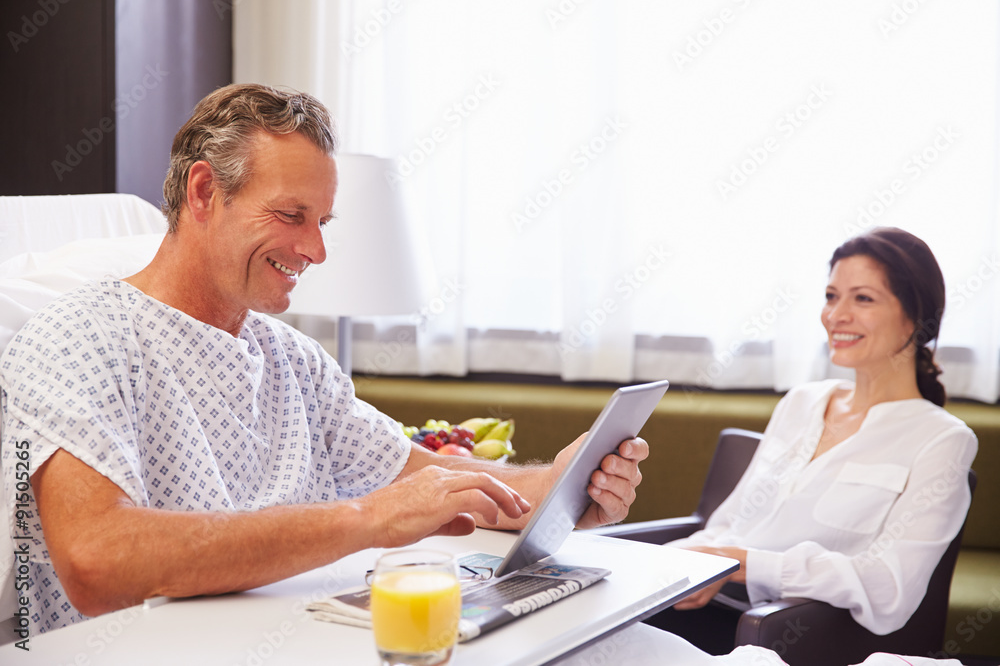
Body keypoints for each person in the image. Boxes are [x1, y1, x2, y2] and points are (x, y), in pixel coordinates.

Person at [0, 83, 647, 635]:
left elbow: (432, 487)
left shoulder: (293, 362)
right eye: (290, 215)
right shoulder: (77, 339)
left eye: (323, 222)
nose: (315, 249)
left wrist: (565, 487)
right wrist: (366, 518)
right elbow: (95, 562)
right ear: (203, 191)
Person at [645, 227, 978, 653]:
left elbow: (888, 587)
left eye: (863, 298)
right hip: (703, 606)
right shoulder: (802, 402)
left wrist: (741, 566)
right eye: (830, 295)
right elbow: (731, 523)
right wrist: (668, 568)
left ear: (915, 318)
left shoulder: (942, 440)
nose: (836, 315)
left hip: (782, 635)